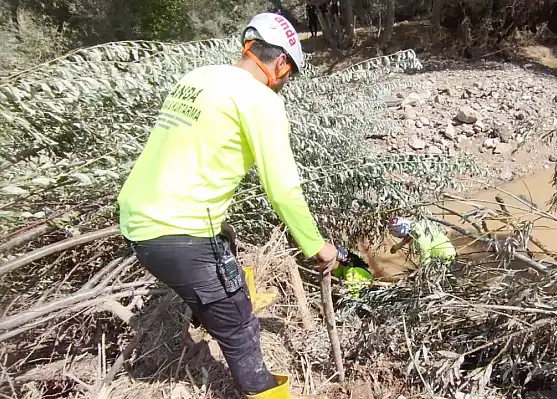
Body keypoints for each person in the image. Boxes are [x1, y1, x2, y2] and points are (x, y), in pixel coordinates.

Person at [117, 12, 338, 399]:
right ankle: (261, 386)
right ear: (281, 63)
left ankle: (212, 306)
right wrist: (316, 246)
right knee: (241, 330)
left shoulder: (198, 78)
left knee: (225, 240)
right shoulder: (262, 101)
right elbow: (283, 190)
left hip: (137, 221)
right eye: (289, 75)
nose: (286, 83)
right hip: (179, 234)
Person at [388, 216, 457, 266]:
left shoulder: (420, 239)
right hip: (448, 251)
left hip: (444, 259)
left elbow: (425, 258)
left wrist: (421, 272)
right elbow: (408, 237)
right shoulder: (416, 225)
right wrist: (396, 247)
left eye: (394, 231)